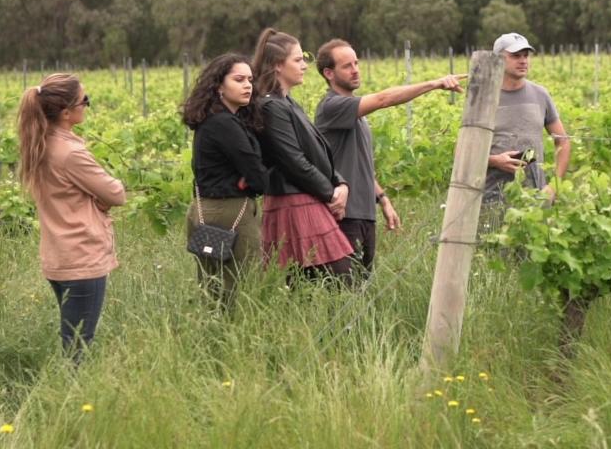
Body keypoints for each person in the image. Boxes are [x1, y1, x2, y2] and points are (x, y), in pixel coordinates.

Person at [314, 38, 464, 277]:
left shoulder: (355, 113)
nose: (355, 70)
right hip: (344, 215)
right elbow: (384, 100)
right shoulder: (332, 107)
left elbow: (359, 165)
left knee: (361, 287)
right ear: (329, 73)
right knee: (344, 289)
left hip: (364, 213)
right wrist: (435, 83)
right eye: (347, 66)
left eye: (356, 63)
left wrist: (383, 199)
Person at [17, 73, 126, 364]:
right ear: (66, 113)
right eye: (84, 101)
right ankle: (73, 399)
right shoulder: (70, 153)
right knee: (78, 345)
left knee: (73, 337)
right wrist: (100, 198)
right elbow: (116, 193)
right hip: (82, 257)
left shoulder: (40, 143)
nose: (87, 106)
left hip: (58, 256)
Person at [250, 28, 355, 283]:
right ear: (277, 65)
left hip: (306, 197)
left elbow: (317, 151)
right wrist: (331, 193)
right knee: (337, 279)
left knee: (311, 282)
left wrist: (340, 183)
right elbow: (293, 160)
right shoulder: (272, 106)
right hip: (293, 201)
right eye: (297, 60)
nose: (305, 66)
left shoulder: (288, 103)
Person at [181, 53, 266, 306]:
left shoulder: (210, 120)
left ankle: (211, 339)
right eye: (238, 79)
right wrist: (249, 181)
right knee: (240, 287)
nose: (247, 85)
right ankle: (234, 339)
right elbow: (259, 178)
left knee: (213, 286)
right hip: (229, 212)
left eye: (250, 79)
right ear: (219, 85)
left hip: (205, 209)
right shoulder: (225, 124)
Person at [481, 33, 572, 233]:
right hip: (492, 198)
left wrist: (554, 185)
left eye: (526, 55)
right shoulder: (483, 98)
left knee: (530, 256)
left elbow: (563, 142)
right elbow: (464, 152)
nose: (523, 61)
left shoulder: (541, 94)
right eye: (516, 56)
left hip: (535, 197)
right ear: (497, 59)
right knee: (493, 256)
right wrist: (495, 160)